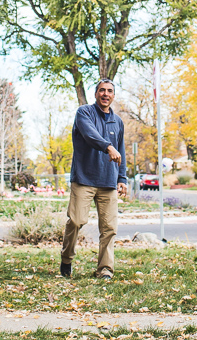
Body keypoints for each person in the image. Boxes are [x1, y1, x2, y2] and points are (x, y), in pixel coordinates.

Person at [60, 79, 128, 279]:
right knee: (76, 221)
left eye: (109, 91)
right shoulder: (84, 113)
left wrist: (122, 177)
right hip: (84, 179)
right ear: (95, 94)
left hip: (108, 182)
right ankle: (66, 258)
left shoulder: (118, 122)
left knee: (109, 228)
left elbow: (121, 150)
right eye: (102, 91)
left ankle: (105, 270)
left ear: (113, 95)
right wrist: (108, 146)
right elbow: (90, 135)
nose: (105, 94)